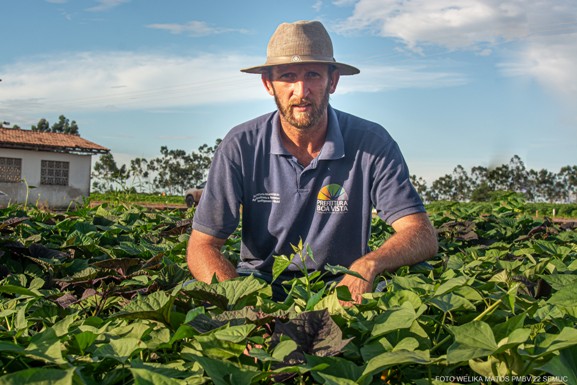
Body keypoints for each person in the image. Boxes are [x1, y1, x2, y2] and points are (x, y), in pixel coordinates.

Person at [186, 20, 438, 303]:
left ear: (333, 81)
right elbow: (202, 246)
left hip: (341, 286)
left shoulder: (372, 144)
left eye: (313, 75)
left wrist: (368, 265)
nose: (301, 90)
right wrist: (239, 306)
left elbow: (421, 232)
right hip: (259, 286)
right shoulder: (240, 146)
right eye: (288, 76)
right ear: (269, 84)